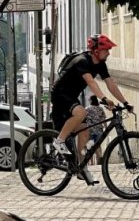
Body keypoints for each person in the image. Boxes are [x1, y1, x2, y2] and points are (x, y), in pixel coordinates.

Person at [50, 34, 132, 184]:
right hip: (60, 94)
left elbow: (110, 83)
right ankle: (59, 141)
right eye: (106, 50)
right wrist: (104, 99)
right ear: (96, 51)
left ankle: (81, 168)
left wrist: (125, 102)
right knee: (81, 112)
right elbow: (91, 82)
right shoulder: (83, 61)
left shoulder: (100, 64)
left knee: (85, 131)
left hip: (71, 96)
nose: (108, 53)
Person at [84, 96, 106, 165]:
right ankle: (99, 160)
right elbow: (103, 119)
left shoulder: (87, 109)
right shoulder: (100, 109)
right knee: (97, 145)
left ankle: (91, 163)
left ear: (91, 100)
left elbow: (83, 119)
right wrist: (106, 127)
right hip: (99, 130)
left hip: (90, 130)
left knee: (90, 146)